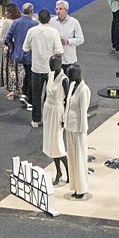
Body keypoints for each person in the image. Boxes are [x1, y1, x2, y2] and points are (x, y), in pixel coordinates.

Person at [22, 9, 64, 128]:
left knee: (36, 95)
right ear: (49, 19)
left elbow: (25, 48)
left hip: (36, 68)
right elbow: (59, 51)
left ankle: (36, 120)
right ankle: (47, 119)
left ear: (38, 19)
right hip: (50, 69)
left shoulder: (32, 31)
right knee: (49, 95)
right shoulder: (54, 32)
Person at [64, 64, 91, 198]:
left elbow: (83, 111)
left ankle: (82, 188)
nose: (68, 77)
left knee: (80, 158)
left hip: (79, 129)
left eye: (70, 75)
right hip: (69, 127)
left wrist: (82, 130)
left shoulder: (84, 90)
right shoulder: (72, 86)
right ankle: (75, 186)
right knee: (72, 157)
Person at [42, 55, 69, 184]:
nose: (51, 66)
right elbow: (45, 95)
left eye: (53, 64)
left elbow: (68, 100)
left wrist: (65, 117)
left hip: (58, 111)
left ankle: (68, 171)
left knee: (58, 143)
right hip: (48, 110)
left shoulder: (64, 80)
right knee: (51, 144)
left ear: (60, 64)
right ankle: (58, 171)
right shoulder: (49, 76)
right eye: (50, 63)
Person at [6, 3, 38, 109]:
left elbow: (8, 38)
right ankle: (27, 96)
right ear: (32, 11)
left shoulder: (15, 22)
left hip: (18, 55)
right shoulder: (34, 24)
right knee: (31, 75)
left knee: (27, 73)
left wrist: (13, 48)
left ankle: (24, 93)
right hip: (30, 55)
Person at [49, 0, 85, 71]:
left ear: (66, 10)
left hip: (68, 59)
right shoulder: (51, 21)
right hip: (55, 60)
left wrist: (68, 41)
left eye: (60, 9)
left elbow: (81, 39)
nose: (58, 11)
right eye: (56, 9)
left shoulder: (74, 22)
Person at [0, 4, 25, 100]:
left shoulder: (6, 22)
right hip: (19, 49)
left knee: (9, 70)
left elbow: (3, 37)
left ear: (10, 12)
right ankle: (19, 89)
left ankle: (11, 91)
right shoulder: (20, 21)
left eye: (6, 11)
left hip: (9, 49)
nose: (5, 13)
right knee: (19, 69)